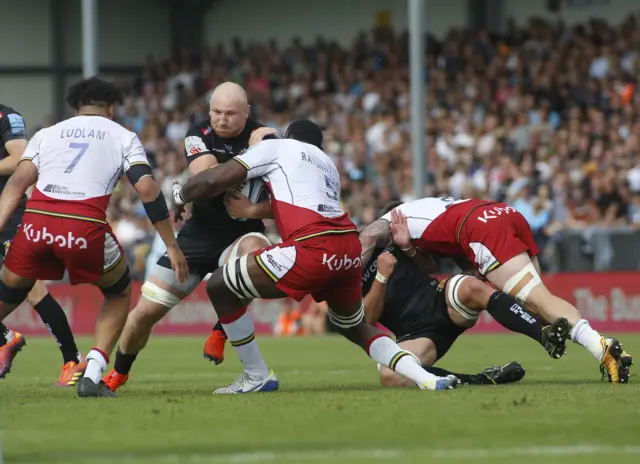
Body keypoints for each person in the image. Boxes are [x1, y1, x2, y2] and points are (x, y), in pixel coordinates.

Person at [171, 119, 459, 393]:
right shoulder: (327, 164)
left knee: (219, 285)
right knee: (357, 327)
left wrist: (181, 195)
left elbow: (212, 180)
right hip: (348, 248)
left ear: (288, 136)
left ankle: (254, 375)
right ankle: (425, 378)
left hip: (312, 246)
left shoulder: (279, 147)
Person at [0, 77, 187, 397]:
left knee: (12, 289)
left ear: (75, 108)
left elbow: (16, 184)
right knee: (118, 292)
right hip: (83, 226)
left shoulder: (47, 133)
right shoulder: (123, 136)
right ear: (112, 108)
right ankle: (93, 373)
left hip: (35, 226)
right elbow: (146, 187)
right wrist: (171, 244)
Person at [102, 82, 275, 392]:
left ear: (247, 112)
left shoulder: (268, 137)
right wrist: (255, 153)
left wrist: (253, 206)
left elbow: (282, 200)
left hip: (243, 233)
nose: (221, 120)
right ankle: (118, 373)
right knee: (144, 313)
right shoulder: (199, 134)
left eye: (231, 114)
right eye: (216, 112)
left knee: (257, 263)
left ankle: (222, 330)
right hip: (198, 235)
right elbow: (207, 179)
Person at [359, 197, 633, 384]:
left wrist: (348, 264)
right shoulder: (424, 213)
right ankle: (569, 338)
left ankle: (601, 347)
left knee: (539, 299)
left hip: (481, 227)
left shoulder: (388, 224)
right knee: (536, 304)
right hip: (503, 212)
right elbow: (456, 254)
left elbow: (370, 236)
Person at [0, 103, 86, 386]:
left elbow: (19, 159)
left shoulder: (7, 116)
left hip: (8, 216)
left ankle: (72, 359)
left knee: (32, 289)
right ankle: (5, 337)